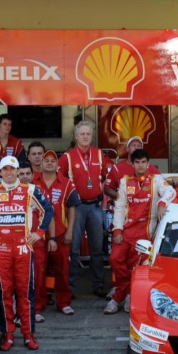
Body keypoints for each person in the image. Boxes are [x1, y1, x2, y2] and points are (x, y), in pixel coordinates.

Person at [0, 155, 53, 351]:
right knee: (4, 293)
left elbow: (48, 210)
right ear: (0, 172)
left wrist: (39, 233)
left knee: (25, 293)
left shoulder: (29, 190)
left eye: (12, 169)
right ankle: (8, 335)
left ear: (17, 171)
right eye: (5, 169)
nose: (9, 172)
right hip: (2, 249)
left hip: (24, 249)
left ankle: (28, 334)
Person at [106, 149, 175, 314]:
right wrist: (117, 230)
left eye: (143, 162)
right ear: (133, 164)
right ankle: (126, 292)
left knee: (135, 269)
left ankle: (119, 298)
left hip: (145, 234)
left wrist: (162, 203)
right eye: (137, 162)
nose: (140, 165)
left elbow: (170, 191)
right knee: (115, 259)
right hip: (126, 231)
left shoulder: (156, 180)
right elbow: (120, 207)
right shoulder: (125, 182)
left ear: (148, 163)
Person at [61, 120, 118, 297]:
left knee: (97, 249)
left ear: (92, 136)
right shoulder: (67, 157)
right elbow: (59, 181)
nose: (85, 137)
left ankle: (98, 284)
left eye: (88, 134)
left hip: (95, 206)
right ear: (76, 136)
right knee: (74, 249)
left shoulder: (99, 154)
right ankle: (69, 287)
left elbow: (107, 177)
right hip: (76, 208)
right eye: (82, 134)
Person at [33, 150, 80, 316]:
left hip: (60, 233)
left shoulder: (66, 183)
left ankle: (64, 302)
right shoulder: (32, 182)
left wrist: (70, 231)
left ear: (58, 165)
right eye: (47, 160)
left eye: (53, 161)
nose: (50, 163)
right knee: (38, 271)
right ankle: (38, 305)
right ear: (41, 163)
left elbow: (71, 207)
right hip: (37, 235)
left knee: (62, 270)